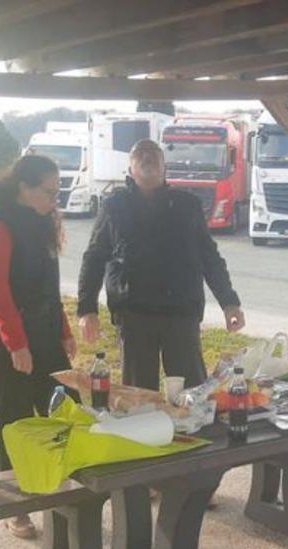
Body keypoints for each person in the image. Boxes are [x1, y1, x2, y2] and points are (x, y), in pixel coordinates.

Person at [0, 155, 79, 539]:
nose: (55, 199)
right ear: (23, 188)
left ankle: (63, 489)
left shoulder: (43, 223)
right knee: (14, 418)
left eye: (58, 191)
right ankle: (16, 504)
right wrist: (17, 344)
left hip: (43, 330)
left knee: (64, 407)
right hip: (5, 339)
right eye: (49, 191)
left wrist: (63, 329)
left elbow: (47, 287)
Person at [78, 139, 244, 391]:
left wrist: (229, 302)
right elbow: (94, 257)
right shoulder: (115, 206)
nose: (147, 158)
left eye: (154, 154)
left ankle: (191, 430)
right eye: (140, 154)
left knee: (191, 392)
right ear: (130, 167)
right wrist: (86, 309)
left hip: (181, 312)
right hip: (134, 314)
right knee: (138, 394)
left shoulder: (187, 205)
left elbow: (209, 256)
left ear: (164, 165)